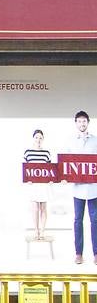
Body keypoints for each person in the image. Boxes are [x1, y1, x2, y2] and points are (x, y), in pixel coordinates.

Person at [70, 111, 97, 264]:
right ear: (76, 123)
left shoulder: (95, 140)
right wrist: (66, 177)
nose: (82, 124)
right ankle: (78, 253)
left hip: (94, 189)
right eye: (79, 121)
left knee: (95, 220)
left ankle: (96, 253)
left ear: (88, 123)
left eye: (84, 121)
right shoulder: (71, 141)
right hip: (77, 188)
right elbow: (66, 163)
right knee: (77, 220)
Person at [24, 129, 52, 242]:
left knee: (43, 208)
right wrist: (27, 179)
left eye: (40, 138)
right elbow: (24, 168)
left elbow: (50, 169)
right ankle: (36, 230)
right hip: (33, 184)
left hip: (43, 183)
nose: (38, 140)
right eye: (36, 137)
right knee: (35, 208)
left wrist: (50, 179)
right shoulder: (28, 152)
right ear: (33, 138)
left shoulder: (46, 153)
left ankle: (42, 230)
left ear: (43, 139)